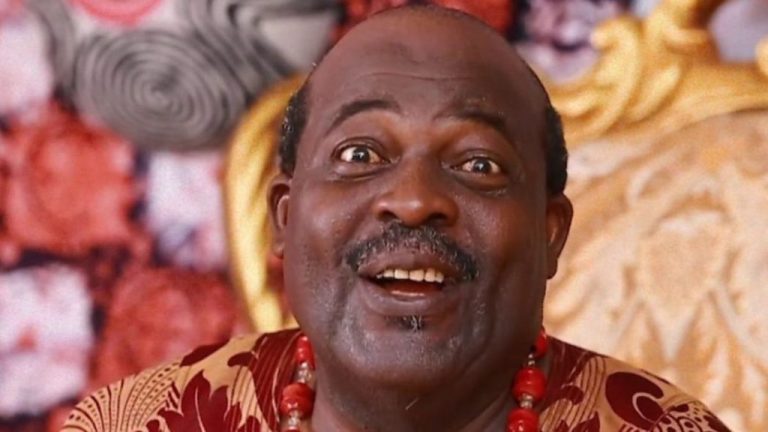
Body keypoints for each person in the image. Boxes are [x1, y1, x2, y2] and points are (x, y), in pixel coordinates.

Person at [62, 5, 730, 432]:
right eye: (359, 154)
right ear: (284, 220)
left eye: (478, 164)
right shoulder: (141, 423)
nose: (412, 200)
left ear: (550, 234)